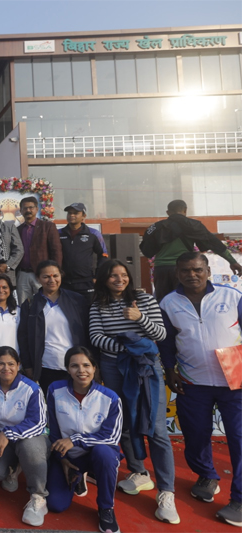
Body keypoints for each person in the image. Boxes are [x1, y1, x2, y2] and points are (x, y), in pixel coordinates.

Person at [88, 259, 178, 523]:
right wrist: (130, 347)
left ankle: (166, 491)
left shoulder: (144, 299)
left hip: (146, 366)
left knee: (157, 428)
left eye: (123, 275)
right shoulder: (98, 305)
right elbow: (96, 337)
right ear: (104, 279)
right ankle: (139, 472)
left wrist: (140, 318)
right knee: (124, 421)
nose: (119, 279)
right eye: (113, 275)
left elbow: (160, 334)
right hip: (115, 366)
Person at [159, 252, 242, 527]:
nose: (191, 275)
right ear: (177, 273)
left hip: (235, 382)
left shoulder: (232, 296)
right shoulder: (169, 303)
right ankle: (206, 475)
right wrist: (169, 369)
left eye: (197, 269)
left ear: (207, 271)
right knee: (195, 434)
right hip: (193, 382)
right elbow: (167, 342)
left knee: (239, 439)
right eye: (185, 270)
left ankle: (240, 500)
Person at [46, 346, 123, 533]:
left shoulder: (110, 398)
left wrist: (75, 440)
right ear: (67, 369)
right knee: (56, 504)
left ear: (94, 368)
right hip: (68, 456)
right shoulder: (55, 390)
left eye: (86, 365)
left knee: (104, 453)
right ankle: (78, 475)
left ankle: (106, 508)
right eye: (75, 366)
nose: (81, 370)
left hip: (96, 454)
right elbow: (53, 431)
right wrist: (61, 459)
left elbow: (111, 437)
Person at [0, 346, 50, 527]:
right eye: (1, 364)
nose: (6, 368)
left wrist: (7, 434)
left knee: (30, 448)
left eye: (11, 364)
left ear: (18, 365)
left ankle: (38, 497)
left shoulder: (31, 388)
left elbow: (38, 422)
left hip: (29, 438)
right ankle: (13, 468)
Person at [140, 199, 242, 301]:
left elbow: (146, 250)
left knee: (163, 302)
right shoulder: (194, 225)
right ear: (185, 210)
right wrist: (232, 262)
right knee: (186, 301)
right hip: (184, 269)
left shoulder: (156, 227)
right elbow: (215, 244)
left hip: (161, 270)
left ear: (168, 212)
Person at [18, 260, 90, 394]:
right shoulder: (30, 304)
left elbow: (87, 332)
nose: (52, 280)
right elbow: (23, 337)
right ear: (38, 278)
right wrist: (28, 366)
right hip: (46, 366)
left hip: (76, 366)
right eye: (46, 277)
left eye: (55, 276)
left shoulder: (77, 300)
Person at [16, 197, 62, 305]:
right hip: (23, 274)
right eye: (25, 208)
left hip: (43, 274)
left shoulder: (47, 227)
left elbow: (56, 251)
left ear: (37, 209)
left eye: (31, 207)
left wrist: (55, 273)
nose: (28, 210)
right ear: (21, 211)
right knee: (24, 306)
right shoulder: (18, 230)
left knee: (45, 304)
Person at [58, 202, 108, 301]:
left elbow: (103, 255)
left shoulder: (93, 233)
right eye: (69, 213)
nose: (72, 215)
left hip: (86, 282)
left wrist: (97, 276)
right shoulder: (58, 233)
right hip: (64, 282)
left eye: (76, 213)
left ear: (83, 216)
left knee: (88, 308)